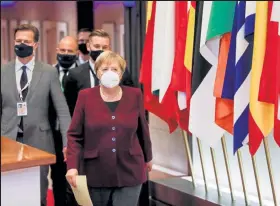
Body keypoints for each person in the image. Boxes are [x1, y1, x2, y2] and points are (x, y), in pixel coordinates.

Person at [66, 51, 153, 206]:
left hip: (130, 170)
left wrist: (148, 157)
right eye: (104, 69)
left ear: (121, 73)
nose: (109, 73)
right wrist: (72, 166)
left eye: (115, 69)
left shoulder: (135, 95)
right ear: (97, 72)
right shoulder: (85, 96)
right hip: (95, 172)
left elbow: (142, 129)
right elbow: (74, 135)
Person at [0, 24, 71, 206]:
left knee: (38, 194)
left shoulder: (48, 72)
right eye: (18, 41)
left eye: (26, 41)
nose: (21, 44)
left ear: (36, 45)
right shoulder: (3, 72)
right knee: (10, 194)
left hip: (39, 141)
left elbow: (62, 110)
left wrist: (67, 143)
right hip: (8, 142)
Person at [64, 29, 134, 116]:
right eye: (97, 46)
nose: (100, 50)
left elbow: (131, 102)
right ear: (88, 46)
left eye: (105, 47)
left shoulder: (122, 72)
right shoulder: (75, 74)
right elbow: (70, 107)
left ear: (109, 48)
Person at [49, 36, 79, 206]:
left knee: (77, 178)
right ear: (57, 51)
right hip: (54, 135)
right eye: (63, 50)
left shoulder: (83, 75)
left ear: (76, 53)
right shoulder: (48, 73)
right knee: (58, 176)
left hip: (78, 137)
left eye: (70, 51)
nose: (66, 54)